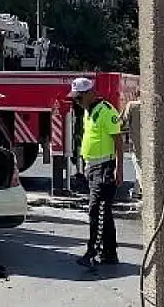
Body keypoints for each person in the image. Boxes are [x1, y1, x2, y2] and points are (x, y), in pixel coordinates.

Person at [68, 77, 123, 268]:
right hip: (93, 167)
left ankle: (93, 252)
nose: (77, 101)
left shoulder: (106, 111)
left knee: (97, 211)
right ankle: (109, 253)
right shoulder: (88, 112)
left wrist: (119, 169)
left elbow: (118, 141)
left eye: (80, 98)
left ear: (91, 93)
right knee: (104, 212)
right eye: (75, 98)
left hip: (105, 167)